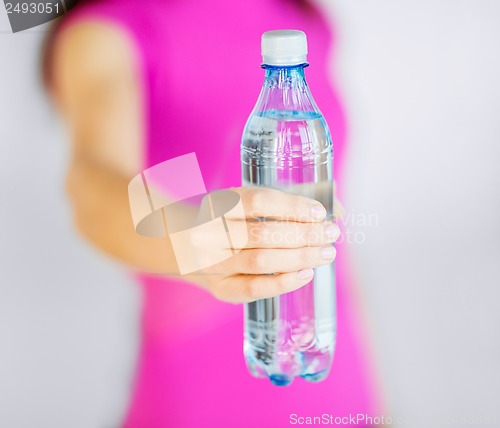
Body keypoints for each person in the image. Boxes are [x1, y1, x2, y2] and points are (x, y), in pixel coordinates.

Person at [43, 0, 380, 426]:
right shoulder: (106, 30)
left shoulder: (296, 18)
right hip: (204, 400)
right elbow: (96, 185)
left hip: (339, 395)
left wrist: (375, 403)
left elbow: (332, 242)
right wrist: (197, 243)